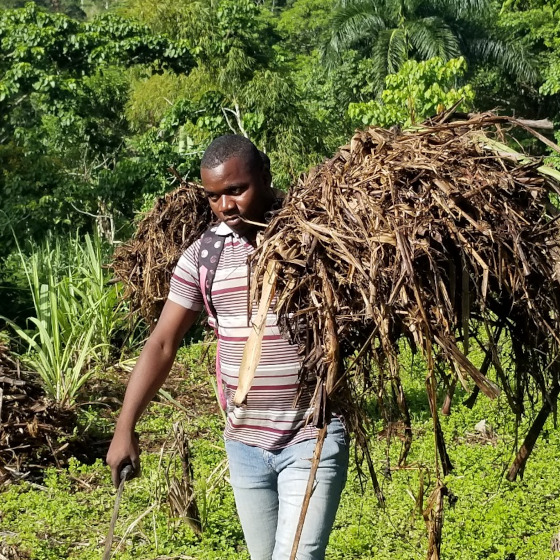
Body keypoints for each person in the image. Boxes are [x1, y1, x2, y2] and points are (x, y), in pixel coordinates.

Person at [106, 134, 349, 560]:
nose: (226, 206)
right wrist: (125, 427)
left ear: (265, 175)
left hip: (312, 435)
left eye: (237, 190)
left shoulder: (317, 239)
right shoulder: (204, 255)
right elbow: (163, 342)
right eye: (214, 196)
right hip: (243, 445)